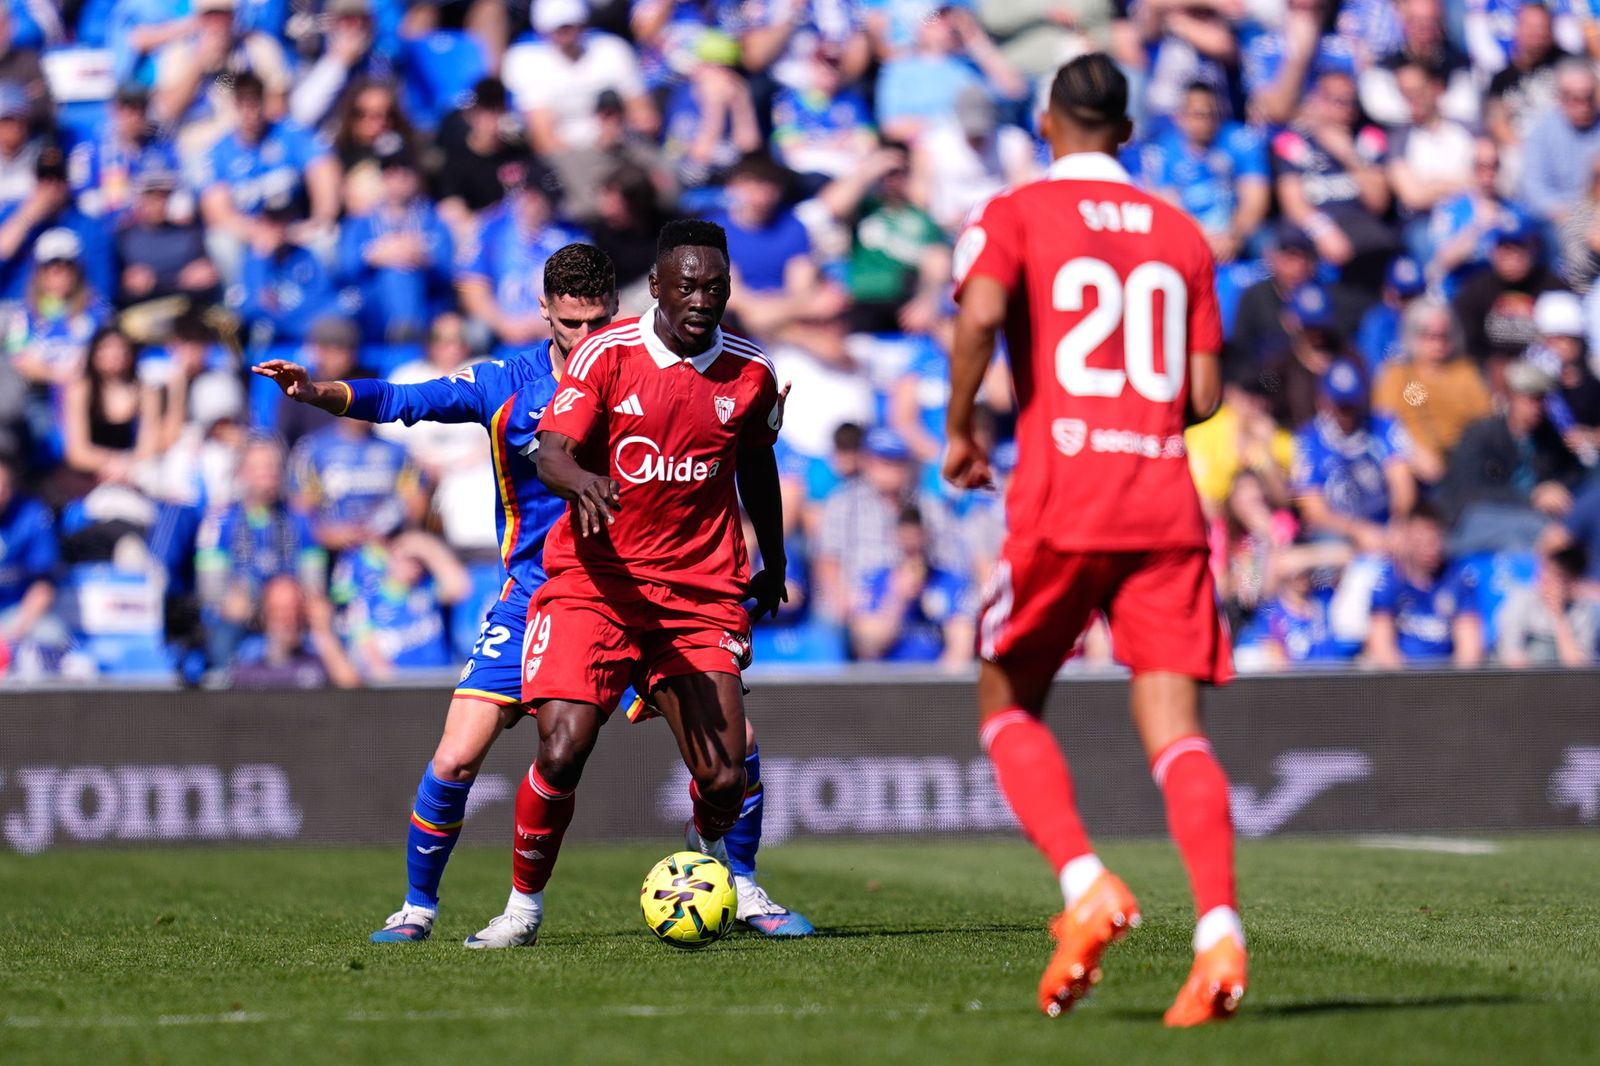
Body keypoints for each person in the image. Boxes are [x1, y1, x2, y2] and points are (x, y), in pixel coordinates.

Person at [254, 243, 811, 943]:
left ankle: (743, 883)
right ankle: (419, 907)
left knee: (737, 749)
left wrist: (754, 431)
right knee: (459, 753)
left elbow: (716, 443)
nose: (587, 337)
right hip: (542, 592)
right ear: (544, 313)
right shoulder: (508, 383)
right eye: (572, 324)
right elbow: (407, 400)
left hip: (656, 591)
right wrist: (319, 393)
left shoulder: (637, 362)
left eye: (600, 320)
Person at [944, 55, 1242, 1025]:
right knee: (1176, 734)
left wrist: (961, 427)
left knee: (1004, 702)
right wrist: (1134, 416)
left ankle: (1085, 883)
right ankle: (1218, 933)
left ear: (1044, 121)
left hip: (1064, 499)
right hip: (1161, 503)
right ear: (1125, 128)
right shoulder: (1182, 232)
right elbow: (1200, 397)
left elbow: (981, 312)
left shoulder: (1018, 211)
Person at [483, 219, 801, 950]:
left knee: (725, 778)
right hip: (594, 584)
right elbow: (550, 454)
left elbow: (758, 467)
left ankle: (709, 855)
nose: (700, 298)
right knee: (562, 746)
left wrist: (775, 561)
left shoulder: (749, 373)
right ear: (655, 286)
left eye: (714, 286)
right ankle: (521, 910)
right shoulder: (606, 354)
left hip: (696, 594)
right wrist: (582, 479)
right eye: (686, 285)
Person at [1292, 359, 1416, 552]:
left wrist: (1398, 522)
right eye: (1341, 405)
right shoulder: (1309, 440)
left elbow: (1402, 482)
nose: (1347, 413)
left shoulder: (1383, 425)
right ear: (1324, 402)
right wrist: (1357, 530)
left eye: (1352, 404)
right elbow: (1313, 509)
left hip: (1385, 521)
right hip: (1338, 531)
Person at [1140, 81, 1269, 266]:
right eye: (1198, 115)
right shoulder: (1162, 150)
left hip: (1234, 236)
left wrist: (1232, 236)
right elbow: (1168, 207)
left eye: (1211, 114)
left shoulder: (1241, 140)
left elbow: (1255, 201)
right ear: (1180, 117)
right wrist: (1204, 238)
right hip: (1188, 236)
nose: (1205, 122)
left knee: (1266, 241)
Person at [1372, 297, 1493, 484]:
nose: (1438, 342)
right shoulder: (1397, 374)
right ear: (1413, 335)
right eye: (1429, 335)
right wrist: (1412, 453)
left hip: (1460, 467)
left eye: (1444, 335)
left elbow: (1486, 422)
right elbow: (1382, 422)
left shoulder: (1466, 373)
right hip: (1412, 468)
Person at [1365, 504, 1484, 667]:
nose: (1431, 549)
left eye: (1435, 540)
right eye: (1422, 541)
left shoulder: (1458, 577)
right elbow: (1381, 645)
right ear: (1406, 539)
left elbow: (1469, 648)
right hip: (1400, 680)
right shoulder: (1388, 580)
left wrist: (1455, 687)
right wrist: (1409, 687)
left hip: (1447, 681)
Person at [229, 572, 361, 689]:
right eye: (279, 611)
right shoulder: (249, 656)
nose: (288, 618)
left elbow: (352, 692)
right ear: (265, 615)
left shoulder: (317, 654)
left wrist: (323, 630)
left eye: (293, 609)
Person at [1520, 58, 1600, 227]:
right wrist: (1571, 218)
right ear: (1560, 98)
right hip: (1561, 221)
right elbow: (1534, 190)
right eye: (1576, 99)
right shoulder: (1541, 134)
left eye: (1589, 97)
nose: (1584, 106)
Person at [1496, 547, 1595, 667]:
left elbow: (1577, 667)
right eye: (1547, 570)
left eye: (1559, 576)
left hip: (1564, 683)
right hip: (1523, 681)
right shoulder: (1522, 600)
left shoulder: (1581, 612)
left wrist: (1558, 615)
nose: (1548, 578)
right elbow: (1511, 654)